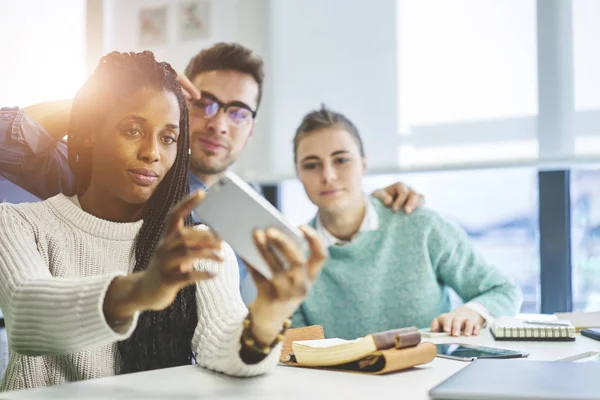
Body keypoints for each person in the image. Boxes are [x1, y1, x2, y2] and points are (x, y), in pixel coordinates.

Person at [0, 51, 327, 392]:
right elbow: (27, 313)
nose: (152, 153)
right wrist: (141, 290)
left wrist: (267, 316)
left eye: (168, 138)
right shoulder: (20, 222)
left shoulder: (195, 245)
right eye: (132, 130)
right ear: (88, 132)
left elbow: (225, 352)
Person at [0, 43, 424, 304]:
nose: (219, 124)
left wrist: (368, 201)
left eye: (237, 112)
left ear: (251, 127)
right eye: (205, 102)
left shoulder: (250, 199)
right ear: (180, 103)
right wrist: (103, 99)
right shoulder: (113, 178)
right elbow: (6, 134)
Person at [290, 105, 523, 339]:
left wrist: (472, 312)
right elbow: (296, 350)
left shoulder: (421, 227)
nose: (328, 175)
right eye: (311, 165)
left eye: (341, 160)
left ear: (364, 164)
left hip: (435, 374)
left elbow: (503, 290)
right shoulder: (294, 256)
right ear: (298, 173)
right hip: (332, 376)